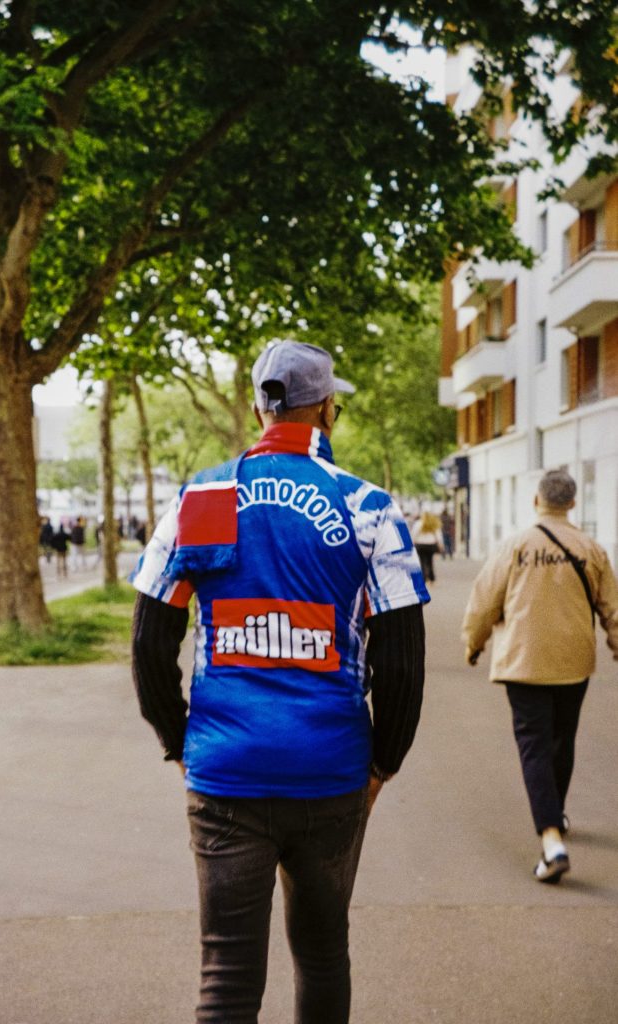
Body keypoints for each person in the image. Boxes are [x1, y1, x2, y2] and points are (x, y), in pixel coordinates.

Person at [131, 339, 429, 1024]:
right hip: (331, 774)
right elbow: (402, 658)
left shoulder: (202, 499)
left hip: (225, 770)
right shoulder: (367, 507)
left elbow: (150, 640)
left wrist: (179, 744)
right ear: (326, 408)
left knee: (227, 975)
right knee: (322, 954)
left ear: (258, 405)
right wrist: (383, 762)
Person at [462, 469, 618, 884]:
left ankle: (551, 841)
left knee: (533, 745)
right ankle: (555, 814)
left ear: (536, 501)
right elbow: (613, 608)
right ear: (572, 504)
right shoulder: (592, 549)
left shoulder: (514, 546)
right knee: (562, 740)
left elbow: (484, 601)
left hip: (523, 663)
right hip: (573, 663)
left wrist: (473, 643)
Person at [411, 510, 444, 584]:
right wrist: (440, 545)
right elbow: (438, 536)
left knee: (422, 562)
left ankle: (424, 579)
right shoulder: (433, 524)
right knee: (430, 561)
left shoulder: (418, 523)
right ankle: (432, 579)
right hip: (431, 545)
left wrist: (412, 544)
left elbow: (414, 534)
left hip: (420, 545)